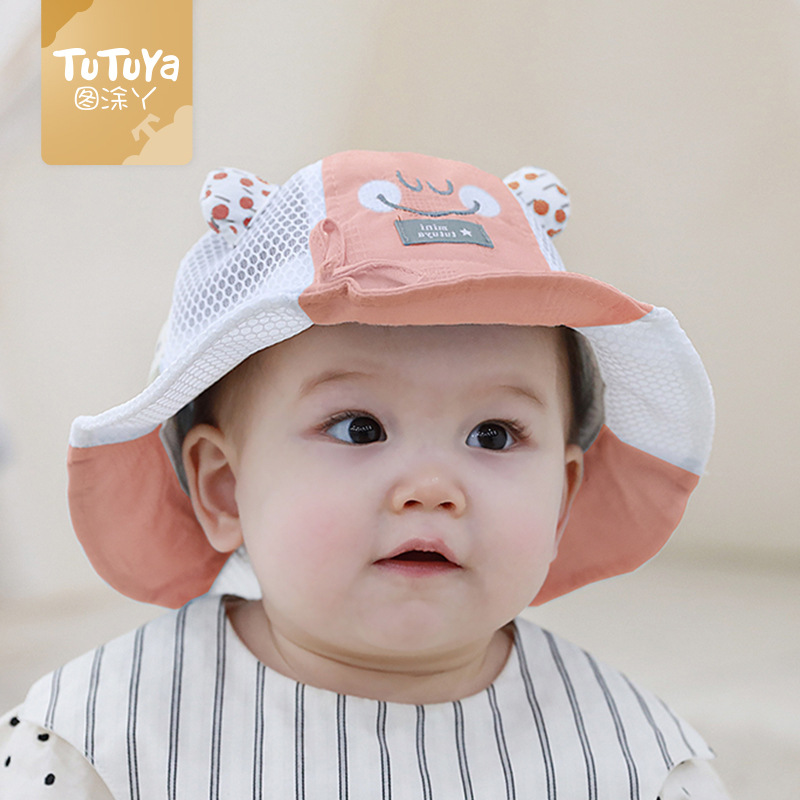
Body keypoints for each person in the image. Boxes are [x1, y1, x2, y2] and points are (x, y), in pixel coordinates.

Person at [0, 151, 730, 798]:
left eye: (494, 435)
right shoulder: (105, 733)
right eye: (360, 428)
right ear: (223, 488)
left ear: (563, 498)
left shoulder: (630, 756)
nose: (431, 488)